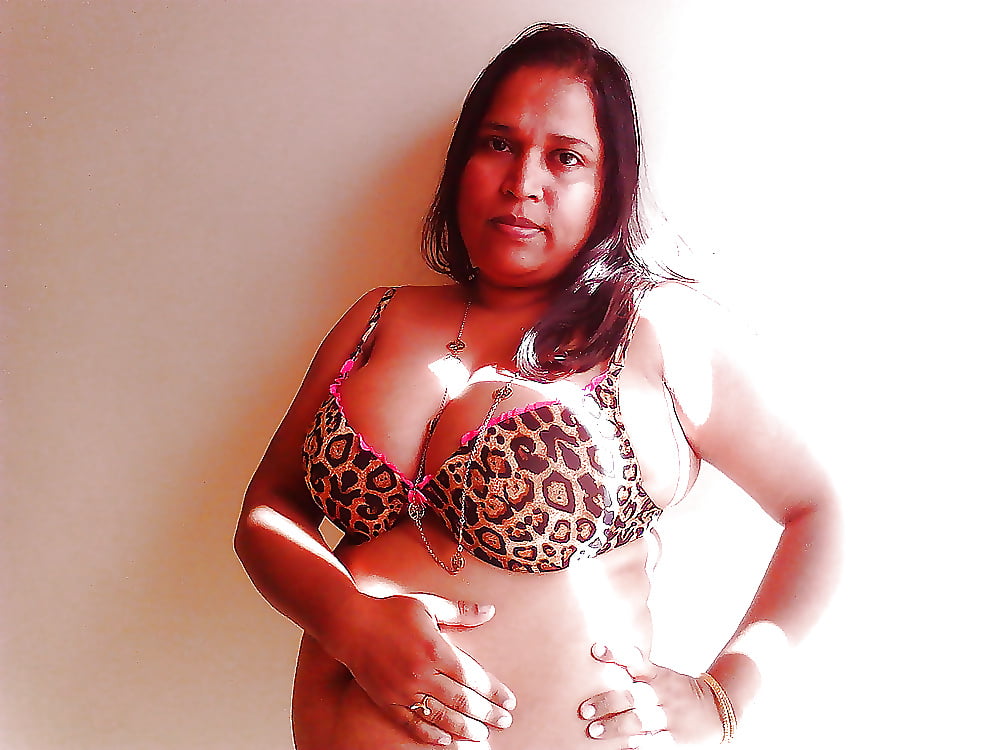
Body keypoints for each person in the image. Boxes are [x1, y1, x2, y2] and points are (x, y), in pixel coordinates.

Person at [235, 23, 840, 749]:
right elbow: (268, 510)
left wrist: (726, 696)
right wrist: (350, 621)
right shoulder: (379, 317)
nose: (522, 183)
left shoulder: (656, 329)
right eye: (499, 144)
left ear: (608, 185)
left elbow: (820, 507)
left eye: (565, 157)